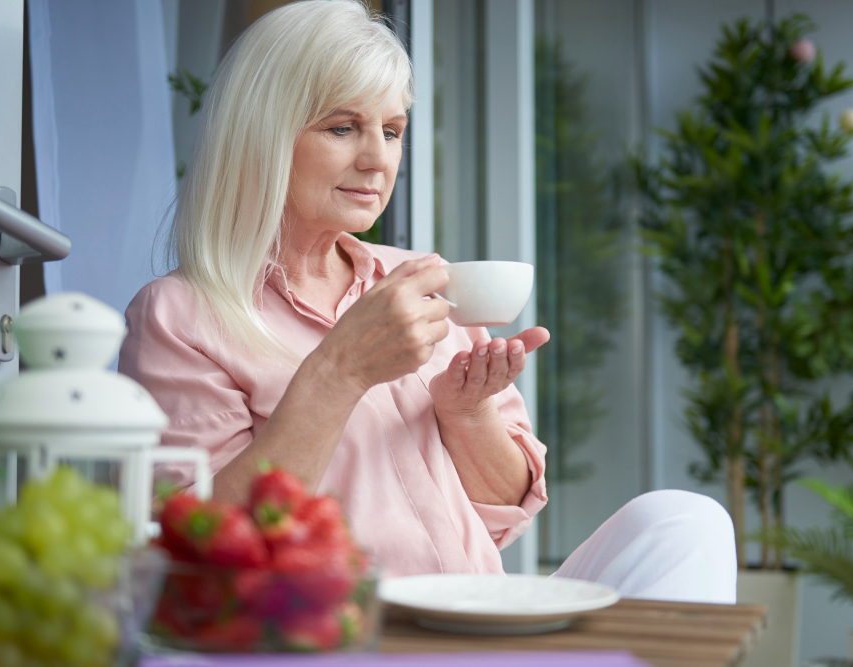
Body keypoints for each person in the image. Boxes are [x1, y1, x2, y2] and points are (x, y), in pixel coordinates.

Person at [119, 0, 736, 603]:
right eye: (342, 128)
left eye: (391, 132)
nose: (376, 159)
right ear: (261, 134)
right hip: (348, 634)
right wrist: (340, 371)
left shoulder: (420, 282)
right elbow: (204, 547)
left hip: (479, 615)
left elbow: (507, 511)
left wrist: (467, 416)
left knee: (685, 521)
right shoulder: (178, 317)